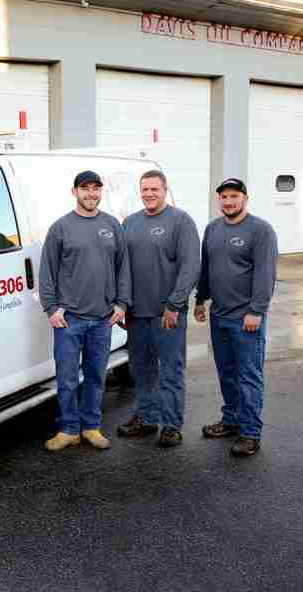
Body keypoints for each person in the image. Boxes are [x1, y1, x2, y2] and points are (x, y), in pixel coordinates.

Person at [40, 170, 131, 451]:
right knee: (67, 378)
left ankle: (91, 427)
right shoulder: (61, 228)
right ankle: (68, 429)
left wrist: (121, 303)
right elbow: (47, 271)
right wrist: (52, 308)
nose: (91, 193)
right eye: (85, 188)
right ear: (74, 192)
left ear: (100, 192)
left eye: (95, 189)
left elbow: (123, 267)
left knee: (95, 377)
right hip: (69, 320)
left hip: (102, 319)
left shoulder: (112, 225)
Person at [194, 177, 278, 457]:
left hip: (246, 319)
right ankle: (231, 419)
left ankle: (251, 432)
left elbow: (265, 275)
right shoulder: (213, 229)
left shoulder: (261, 230)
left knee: (248, 376)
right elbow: (206, 268)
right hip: (219, 316)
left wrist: (257, 311)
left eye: (234, 196)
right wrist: (200, 299)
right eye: (224, 197)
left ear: (245, 198)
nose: (228, 202)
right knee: (226, 373)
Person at [116, 170, 200, 448]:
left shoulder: (181, 221)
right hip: (137, 314)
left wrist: (175, 304)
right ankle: (147, 417)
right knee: (141, 369)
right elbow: (122, 268)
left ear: (165, 190)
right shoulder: (130, 223)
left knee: (170, 370)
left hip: (167, 314)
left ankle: (171, 425)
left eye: (155, 189)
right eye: (145, 189)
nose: (149, 194)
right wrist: (123, 304)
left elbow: (190, 267)